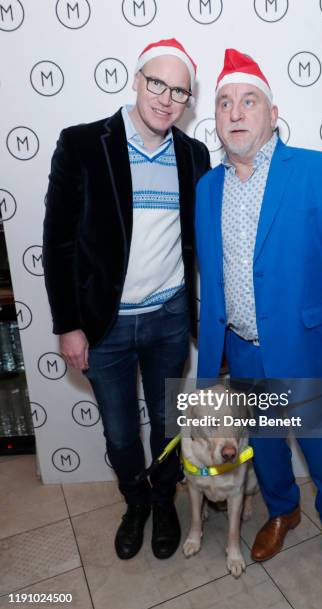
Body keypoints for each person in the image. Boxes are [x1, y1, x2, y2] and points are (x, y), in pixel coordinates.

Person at [195, 49, 322, 595]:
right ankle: (282, 513)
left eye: (248, 101)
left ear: (273, 113)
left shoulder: (320, 171)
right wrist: (212, 355)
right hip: (243, 353)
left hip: (311, 351)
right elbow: (211, 278)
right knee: (265, 449)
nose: (236, 112)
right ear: (216, 118)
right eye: (224, 103)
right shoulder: (207, 189)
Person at [43, 38, 210, 561]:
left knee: (165, 424)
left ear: (187, 99)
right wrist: (68, 324)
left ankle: (164, 502)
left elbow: (198, 239)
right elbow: (59, 241)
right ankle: (134, 502)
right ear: (136, 79)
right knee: (119, 430)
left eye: (178, 90)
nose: (166, 98)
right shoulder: (83, 143)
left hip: (168, 317)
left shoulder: (193, 154)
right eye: (157, 83)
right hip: (104, 325)